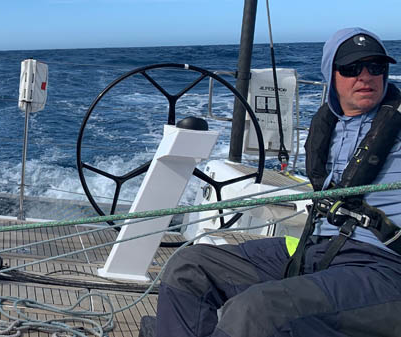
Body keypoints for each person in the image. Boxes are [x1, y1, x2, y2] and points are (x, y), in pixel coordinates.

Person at [147, 27, 401, 337]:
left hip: (382, 267)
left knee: (256, 310)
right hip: (315, 249)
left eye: (376, 67)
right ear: (330, 75)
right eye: (351, 68)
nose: (365, 76)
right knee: (189, 267)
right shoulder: (328, 125)